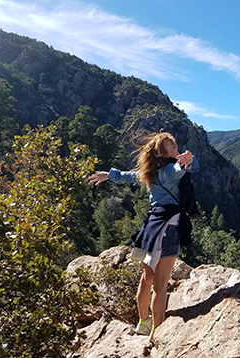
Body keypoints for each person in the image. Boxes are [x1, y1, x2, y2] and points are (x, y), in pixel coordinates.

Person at [88, 132, 199, 343]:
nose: (176, 150)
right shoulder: (169, 170)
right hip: (169, 228)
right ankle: (158, 333)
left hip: (151, 228)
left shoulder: (149, 171)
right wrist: (189, 161)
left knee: (146, 279)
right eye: (172, 147)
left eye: (175, 145)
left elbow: (128, 175)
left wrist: (108, 174)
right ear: (162, 153)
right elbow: (180, 169)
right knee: (161, 285)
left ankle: (142, 323)